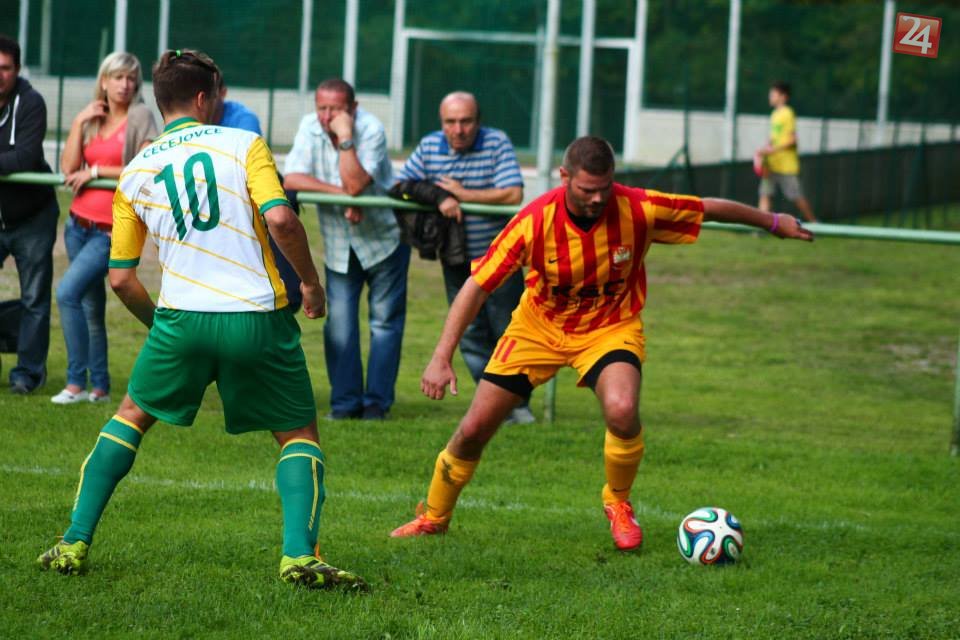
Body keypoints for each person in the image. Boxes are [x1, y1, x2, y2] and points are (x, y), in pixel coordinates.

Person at [37, 49, 366, 591]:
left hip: (181, 320)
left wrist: (162, 327)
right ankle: (299, 557)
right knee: (297, 434)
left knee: (129, 418)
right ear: (202, 98)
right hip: (257, 318)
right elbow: (282, 219)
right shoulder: (244, 144)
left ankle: (73, 541)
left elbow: (120, 279)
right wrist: (310, 283)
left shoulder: (136, 170)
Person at [390, 136, 813, 550]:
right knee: (473, 430)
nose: (597, 199)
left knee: (623, 410)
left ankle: (618, 502)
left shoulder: (638, 208)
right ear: (564, 177)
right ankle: (433, 518)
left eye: (604, 188)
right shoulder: (534, 221)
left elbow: (708, 208)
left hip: (610, 328)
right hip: (537, 329)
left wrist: (774, 222)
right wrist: (441, 356)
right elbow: (477, 286)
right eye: (586, 189)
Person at [392, 91, 534, 425]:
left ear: (478, 121)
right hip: (456, 259)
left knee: (508, 331)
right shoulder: (430, 146)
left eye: (466, 121)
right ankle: (494, 403)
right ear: (441, 123)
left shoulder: (497, 143)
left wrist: (462, 194)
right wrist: (439, 196)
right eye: (450, 122)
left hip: (500, 258)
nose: (458, 129)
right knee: (470, 334)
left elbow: (513, 193)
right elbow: (401, 184)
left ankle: (517, 404)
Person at [284, 78, 409, 421]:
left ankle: (376, 405)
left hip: (384, 240)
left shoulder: (371, 129)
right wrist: (344, 197)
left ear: (353, 108)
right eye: (321, 108)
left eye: (336, 109)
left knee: (385, 325)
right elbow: (292, 178)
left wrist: (345, 136)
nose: (327, 116)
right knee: (339, 326)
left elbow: (355, 182)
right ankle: (345, 404)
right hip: (339, 245)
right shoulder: (309, 127)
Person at [52, 52, 158, 405]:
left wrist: (95, 171)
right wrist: (79, 121)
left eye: (131, 78)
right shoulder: (93, 117)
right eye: (118, 77)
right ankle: (99, 387)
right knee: (90, 306)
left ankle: (75, 383)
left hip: (109, 230)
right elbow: (69, 168)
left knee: (67, 293)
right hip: (77, 226)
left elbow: (144, 165)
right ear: (104, 80)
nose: (125, 85)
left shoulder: (141, 115)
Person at [211, 77, 302, 313]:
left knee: (277, 218)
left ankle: (289, 291)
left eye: (211, 91)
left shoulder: (244, 119)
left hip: (248, 194)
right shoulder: (191, 122)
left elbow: (244, 164)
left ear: (222, 92)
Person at [0, 35, 60, 395]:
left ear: (18, 70)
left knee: (35, 298)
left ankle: (27, 374)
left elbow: (24, 157)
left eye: (5, 68)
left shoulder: (32, 102)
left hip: (32, 218)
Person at [756, 81, 817, 223]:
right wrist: (763, 151)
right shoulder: (774, 114)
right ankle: (761, 227)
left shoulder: (788, 113)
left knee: (796, 196)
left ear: (783, 97)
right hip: (771, 164)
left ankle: (815, 224)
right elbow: (773, 139)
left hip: (786, 165)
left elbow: (792, 140)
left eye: (773, 94)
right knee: (765, 194)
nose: (770, 97)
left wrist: (773, 150)